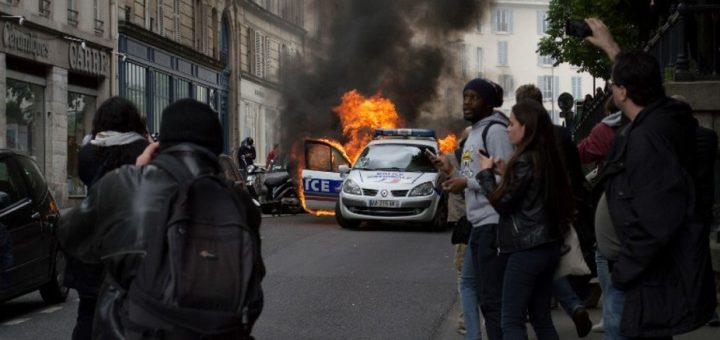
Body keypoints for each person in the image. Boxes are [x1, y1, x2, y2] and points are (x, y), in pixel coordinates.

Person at [58, 99, 264, 340]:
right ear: (216, 148)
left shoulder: (125, 184)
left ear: (160, 145)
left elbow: (70, 235)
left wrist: (136, 172)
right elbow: (254, 291)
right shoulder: (239, 202)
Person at [586, 17, 716, 339]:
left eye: (614, 84)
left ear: (622, 92)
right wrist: (611, 48)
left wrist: (625, 271)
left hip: (640, 277)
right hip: (643, 275)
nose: (612, 89)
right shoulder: (663, 118)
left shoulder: (647, 139)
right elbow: (641, 82)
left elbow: (657, 217)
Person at [476, 99, 574, 340]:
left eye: (511, 123)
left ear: (526, 127)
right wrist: (504, 171)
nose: (507, 128)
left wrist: (486, 174)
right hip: (547, 244)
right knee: (541, 318)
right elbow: (530, 193)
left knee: (511, 320)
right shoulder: (544, 156)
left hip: (526, 248)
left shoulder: (525, 159)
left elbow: (503, 204)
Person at [429, 78, 514, 340]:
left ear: (487, 103)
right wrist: (450, 171)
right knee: (467, 284)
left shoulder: (496, 132)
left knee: (490, 298)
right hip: (477, 223)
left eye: (473, 97)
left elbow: (505, 178)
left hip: (492, 222)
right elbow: (474, 175)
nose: (466, 102)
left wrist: (466, 182)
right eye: (465, 96)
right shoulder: (475, 132)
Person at [65, 96, 149, 340]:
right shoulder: (141, 150)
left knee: (87, 312)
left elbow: (84, 176)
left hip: (93, 244)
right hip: (130, 242)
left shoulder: (89, 152)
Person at [515, 84, 594, 338]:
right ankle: (572, 306)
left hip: (534, 214)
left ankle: (561, 305)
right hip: (561, 207)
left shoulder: (526, 138)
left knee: (540, 266)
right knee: (551, 263)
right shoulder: (560, 133)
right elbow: (574, 171)